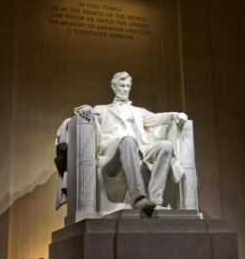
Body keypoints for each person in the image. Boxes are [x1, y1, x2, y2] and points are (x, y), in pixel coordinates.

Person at [75, 71, 187, 211]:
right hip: (113, 150)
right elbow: (89, 113)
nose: (126, 89)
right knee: (128, 140)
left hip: (137, 147)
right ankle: (138, 197)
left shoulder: (137, 111)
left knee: (166, 146)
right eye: (122, 85)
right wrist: (85, 108)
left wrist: (174, 115)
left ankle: (155, 200)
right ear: (114, 87)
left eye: (128, 86)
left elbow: (156, 118)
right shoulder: (103, 109)